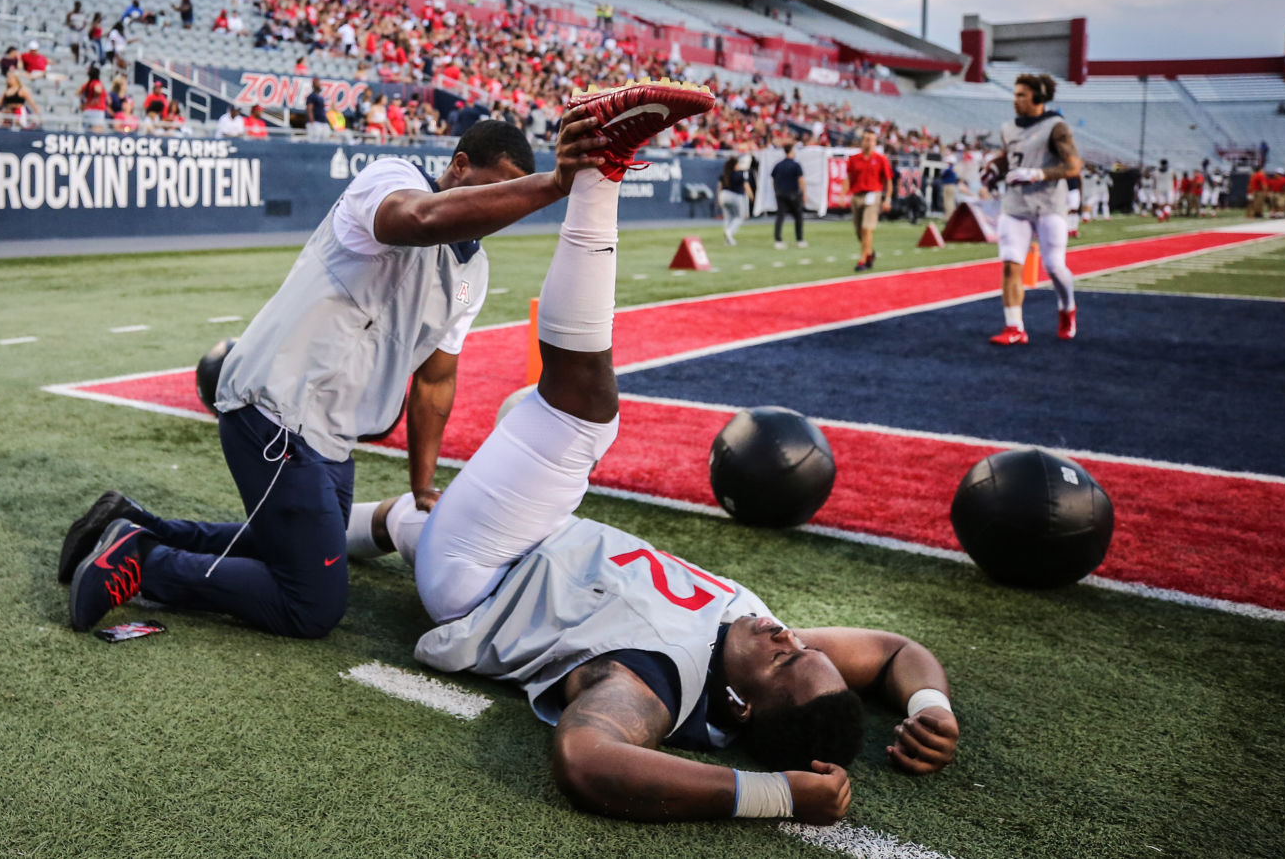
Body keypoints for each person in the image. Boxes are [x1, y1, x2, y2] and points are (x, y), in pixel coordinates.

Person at [347, 145, 957, 824]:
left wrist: (775, 794)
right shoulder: (764, 643)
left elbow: (587, 760)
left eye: (789, 660)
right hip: (539, 540)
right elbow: (896, 650)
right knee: (487, 449)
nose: (792, 638)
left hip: (482, 573)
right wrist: (931, 707)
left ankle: (599, 177)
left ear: (738, 706)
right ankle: (310, 532)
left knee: (579, 417)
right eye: (805, 645)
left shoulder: (653, 682)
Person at [61, 82, 716, 641]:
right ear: (458, 166)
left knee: (292, 548)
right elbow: (422, 219)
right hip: (276, 413)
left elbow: (435, 380)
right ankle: (144, 562)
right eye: (497, 190)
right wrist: (554, 184)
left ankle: (134, 523)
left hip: (329, 435)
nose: (500, 213)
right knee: (311, 604)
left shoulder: (473, 271)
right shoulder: (392, 179)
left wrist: (424, 483)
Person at [989, 73, 1082, 345]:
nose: (1015, 100)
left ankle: (1067, 307)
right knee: (1010, 265)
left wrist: (1037, 174)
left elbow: (1074, 166)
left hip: (1049, 203)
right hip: (1016, 204)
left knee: (1054, 266)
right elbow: (1010, 158)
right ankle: (1014, 327)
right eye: (1015, 94)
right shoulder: (1008, 127)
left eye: (1021, 95)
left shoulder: (1056, 126)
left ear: (1038, 98)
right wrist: (993, 168)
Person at [844, 131, 890, 270]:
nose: (868, 142)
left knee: (866, 228)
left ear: (875, 143)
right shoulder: (854, 159)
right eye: (866, 139)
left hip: (873, 195)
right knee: (859, 230)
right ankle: (869, 253)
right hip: (857, 196)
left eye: (871, 140)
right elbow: (848, 178)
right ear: (862, 141)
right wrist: (842, 194)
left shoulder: (881, 159)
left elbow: (888, 181)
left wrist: (887, 198)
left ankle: (862, 260)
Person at [770, 143, 807, 250]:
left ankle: (778, 240)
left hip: (780, 193)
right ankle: (799, 239)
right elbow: (801, 180)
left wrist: (776, 190)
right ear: (791, 151)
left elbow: (773, 179)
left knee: (780, 217)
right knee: (798, 217)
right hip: (793, 194)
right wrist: (804, 193)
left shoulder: (778, 165)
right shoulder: (796, 165)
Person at [717, 153, 754, 247]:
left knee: (728, 218)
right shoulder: (740, 174)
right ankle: (729, 232)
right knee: (739, 217)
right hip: (735, 196)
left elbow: (719, 188)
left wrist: (718, 199)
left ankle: (727, 240)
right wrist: (751, 196)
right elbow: (746, 186)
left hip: (723, 196)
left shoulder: (724, 174)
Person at [78, 65, 107, 132]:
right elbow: (98, 90)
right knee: (96, 135)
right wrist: (95, 99)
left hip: (87, 111)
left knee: (87, 133)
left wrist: (85, 103)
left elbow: (79, 93)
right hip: (97, 111)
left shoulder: (87, 84)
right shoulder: (97, 83)